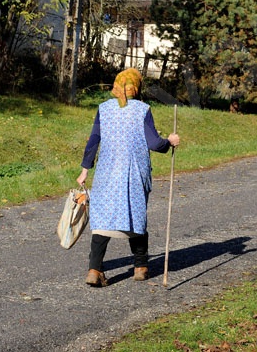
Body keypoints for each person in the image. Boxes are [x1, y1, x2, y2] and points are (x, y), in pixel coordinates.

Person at [77, 68, 180, 287]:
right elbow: (153, 143)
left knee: (102, 218)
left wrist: (85, 169)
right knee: (135, 215)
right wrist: (169, 142)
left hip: (106, 172)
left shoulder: (103, 109)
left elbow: (93, 141)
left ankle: (94, 270)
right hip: (133, 172)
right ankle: (141, 267)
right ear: (137, 87)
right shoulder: (142, 109)